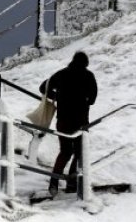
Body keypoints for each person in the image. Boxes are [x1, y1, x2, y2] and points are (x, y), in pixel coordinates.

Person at [40, 51, 97, 195]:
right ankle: (72, 182)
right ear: (86, 63)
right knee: (79, 152)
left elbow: (43, 88)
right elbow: (92, 99)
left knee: (65, 151)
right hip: (81, 122)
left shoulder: (61, 74)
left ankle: (53, 183)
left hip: (63, 120)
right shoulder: (88, 76)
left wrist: (57, 96)